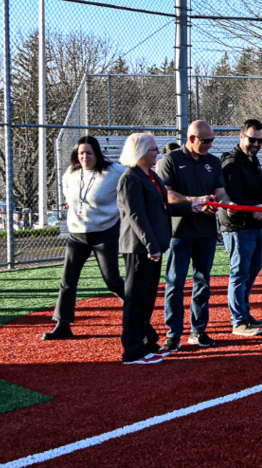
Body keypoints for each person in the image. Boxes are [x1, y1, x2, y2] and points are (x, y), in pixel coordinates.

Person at [117, 133, 205, 364]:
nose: (158, 153)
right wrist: (150, 245)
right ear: (140, 153)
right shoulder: (130, 178)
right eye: (153, 150)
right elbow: (136, 216)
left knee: (146, 299)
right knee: (135, 299)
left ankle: (147, 343)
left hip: (152, 246)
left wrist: (190, 208)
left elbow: (162, 209)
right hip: (139, 248)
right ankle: (132, 350)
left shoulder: (150, 176)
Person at [156, 120, 231, 351]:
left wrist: (227, 205)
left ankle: (198, 331)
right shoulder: (171, 160)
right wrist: (196, 201)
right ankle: (173, 333)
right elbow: (166, 194)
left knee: (202, 283)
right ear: (191, 139)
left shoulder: (213, 162)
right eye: (205, 141)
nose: (210, 145)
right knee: (175, 283)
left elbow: (220, 193)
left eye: (212, 141)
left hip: (206, 232)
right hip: (180, 232)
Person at [44, 136, 126, 341]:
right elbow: (68, 195)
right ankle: (63, 325)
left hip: (104, 232)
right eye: (81, 153)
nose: (84, 157)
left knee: (112, 280)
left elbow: (132, 180)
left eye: (89, 153)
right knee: (68, 280)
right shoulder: (71, 173)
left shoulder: (114, 172)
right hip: (77, 234)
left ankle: (139, 310)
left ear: (97, 154)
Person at [218, 119, 262, 337]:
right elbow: (233, 198)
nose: (256, 144)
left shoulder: (251, 159)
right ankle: (238, 320)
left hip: (254, 225)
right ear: (241, 137)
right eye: (252, 139)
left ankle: (244, 313)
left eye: (260, 140)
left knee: (252, 270)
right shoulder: (231, 162)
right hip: (238, 226)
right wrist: (252, 211)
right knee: (239, 273)